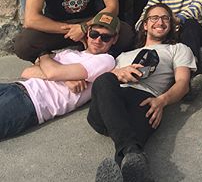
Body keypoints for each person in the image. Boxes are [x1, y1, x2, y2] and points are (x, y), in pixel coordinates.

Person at [89, 3, 196, 182]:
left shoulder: (178, 49)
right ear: (145, 25)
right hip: (108, 105)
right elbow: (101, 85)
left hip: (145, 103)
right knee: (104, 79)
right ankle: (132, 152)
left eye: (165, 18)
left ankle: (130, 157)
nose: (160, 22)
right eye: (154, 18)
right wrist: (119, 73)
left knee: (131, 152)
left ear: (170, 25)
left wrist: (162, 101)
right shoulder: (123, 56)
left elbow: (183, 83)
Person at [1, 11, 118, 140]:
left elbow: (52, 73)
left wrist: (44, 56)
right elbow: (27, 72)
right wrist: (66, 79)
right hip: (17, 87)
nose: (98, 40)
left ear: (114, 39)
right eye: (94, 34)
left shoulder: (105, 60)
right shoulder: (71, 53)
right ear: (88, 32)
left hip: (33, 104)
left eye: (105, 37)